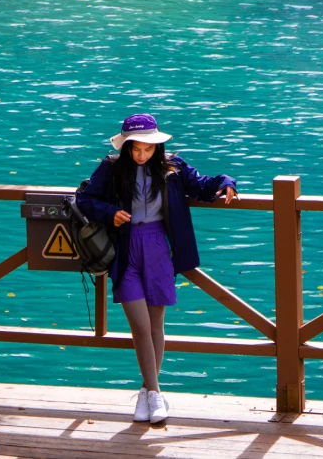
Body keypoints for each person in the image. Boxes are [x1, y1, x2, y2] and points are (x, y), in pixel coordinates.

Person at [76, 112, 237, 425]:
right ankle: (155, 391)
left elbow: (202, 185)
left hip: (159, 248)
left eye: (147, 149)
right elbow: (84, 199)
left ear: (157, 147)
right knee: (139, 326)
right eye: (135, 149)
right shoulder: (111, 167)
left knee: (156, 324)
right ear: (126, 147)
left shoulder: (173, 167)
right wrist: (111, 213)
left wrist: (226, 184)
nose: (141, 155)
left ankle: (147, 394)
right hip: (126, 249)